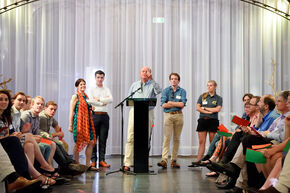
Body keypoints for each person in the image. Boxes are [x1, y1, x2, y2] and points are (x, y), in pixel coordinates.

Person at [123, 66, 162, 171]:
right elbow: (129, 98)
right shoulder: (134, 85)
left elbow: (159, 91)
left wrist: (152, 80)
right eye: (143, 71)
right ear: (140, 73)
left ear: (150, 73)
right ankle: (127, 162)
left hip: (148, 112)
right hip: (134, 112)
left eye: (147, 71)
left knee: (146, 138)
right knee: (131, 137)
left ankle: (144, 160)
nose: (145, 73)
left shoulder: (153, 84)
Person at [157, 73, 187, 169]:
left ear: (178, 80)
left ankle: (174, 160)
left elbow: (182, 104)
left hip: (179, 115)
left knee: (176, 138)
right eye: (172, 79)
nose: (174, 80)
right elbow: (163, 105)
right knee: (167, 138)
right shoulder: (166, 91)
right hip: (168, 116)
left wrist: (170, 102)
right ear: (170, 80)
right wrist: (175, 104)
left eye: (176, 79)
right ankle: (164, 160)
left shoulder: (182, 91)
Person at [69, 78, 98, 171]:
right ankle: (76, 163)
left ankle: (87, 164)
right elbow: (72, 111)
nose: (83, 86)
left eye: (84, 84)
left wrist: (91, 108)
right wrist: (70, 124)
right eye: (81, 84)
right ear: (77, 86)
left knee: (91, 142)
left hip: (87, 122)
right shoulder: (75, 96)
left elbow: (87, 108)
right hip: (78, 122)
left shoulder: (86, 96)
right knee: (78, 142)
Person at [87, 70, 113, 168]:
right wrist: (103, 102)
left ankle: (102, 160)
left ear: (104, 78)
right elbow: (90, 101)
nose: (100, 79)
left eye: (101, 77)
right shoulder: (91, 89)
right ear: (95, 78)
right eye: (98, 77)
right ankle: (93, 160)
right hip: (95, 115)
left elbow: (111, 99)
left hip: (105, 115)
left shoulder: (106, 89)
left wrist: (98, 99)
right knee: (93, 139)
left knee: (103, 139)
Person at [193, 80, 223, 164]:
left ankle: (210, 161)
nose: (209, 87)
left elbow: (217, 109)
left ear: (215, 87)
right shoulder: (203, 96)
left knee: (212, 142)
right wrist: (209, 112)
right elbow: (197, 108)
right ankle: (198, 160)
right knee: (201, 142)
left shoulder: (218, 98)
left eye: (211, 85)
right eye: (208, 85)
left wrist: (204, 108)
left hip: (213, 121)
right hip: (203, 120)